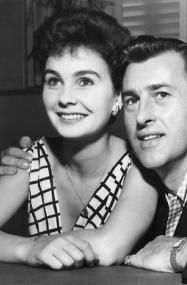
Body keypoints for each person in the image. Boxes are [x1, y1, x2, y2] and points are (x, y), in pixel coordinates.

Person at [0, 11, 158, 270]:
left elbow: (110, 247)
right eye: (54, 81)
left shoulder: (141, 165)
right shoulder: (30, 158)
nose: (64, 98)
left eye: (84, 81)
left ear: (118, 95)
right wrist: (27, 248)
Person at [120, 35, 187, 284]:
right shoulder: (135, 185)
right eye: (132, 100)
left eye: (161, 95)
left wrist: (179, 252)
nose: (141, 116)